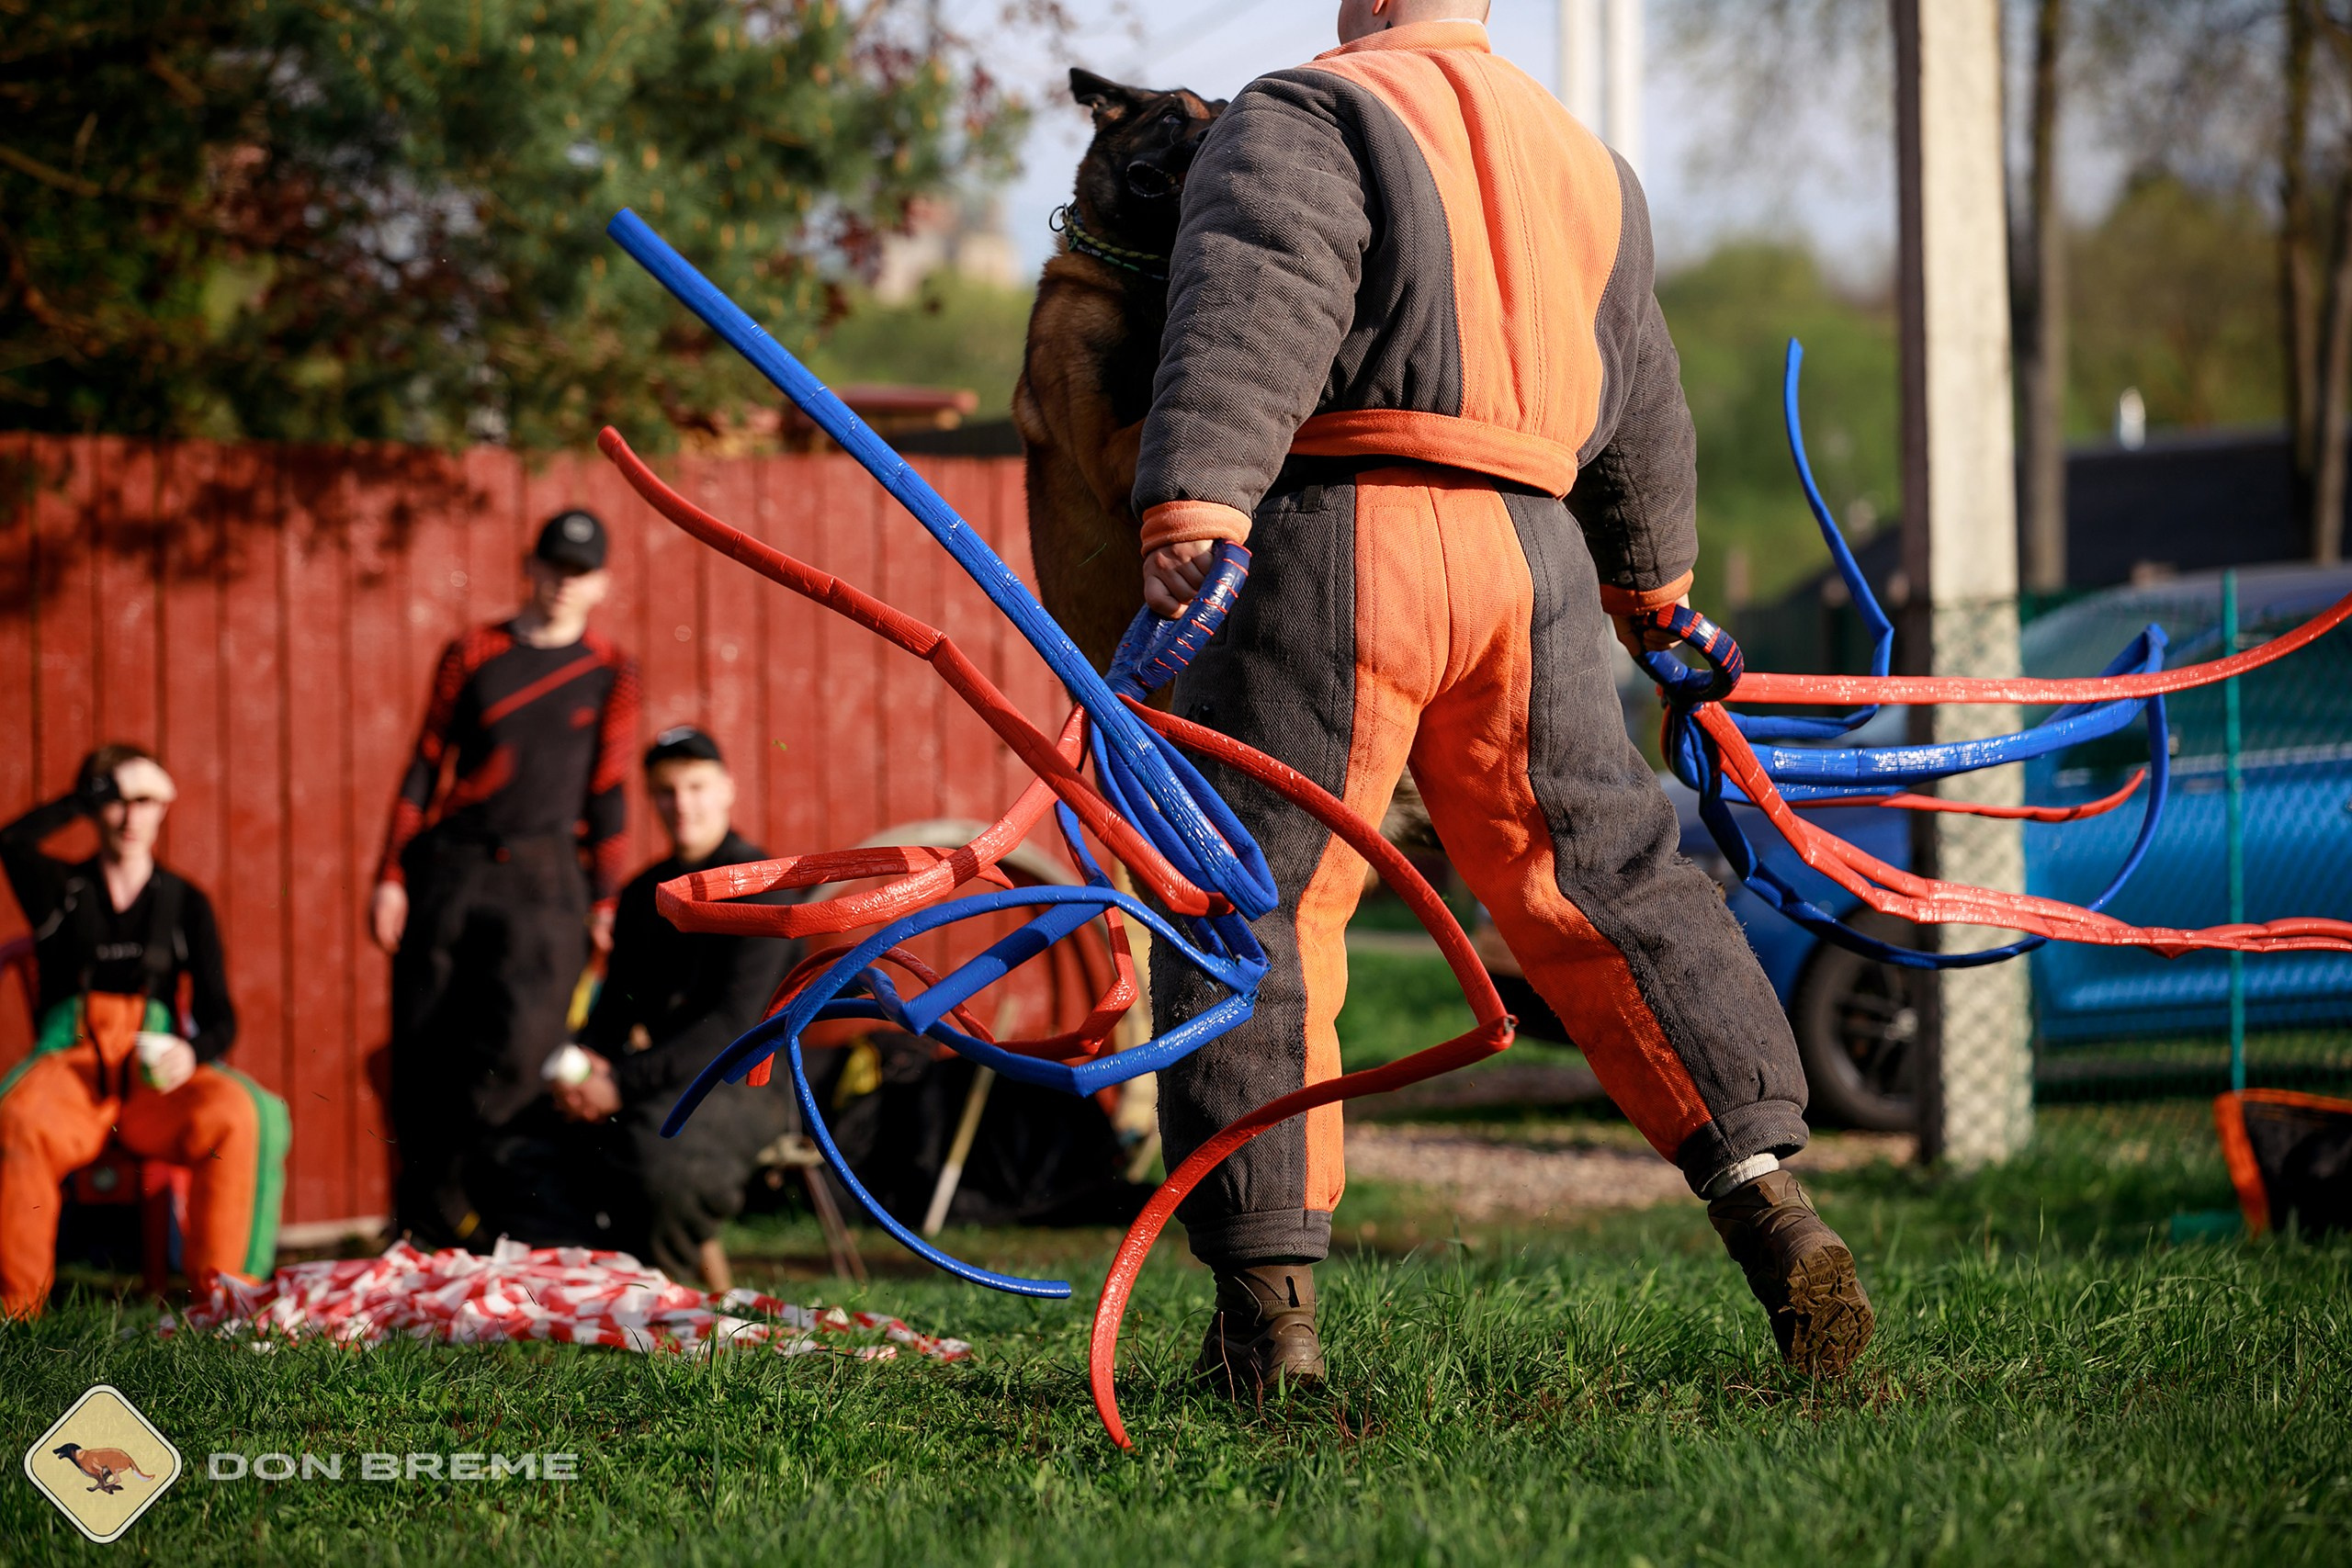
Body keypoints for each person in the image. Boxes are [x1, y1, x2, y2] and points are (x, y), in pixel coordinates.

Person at [1133, 0, 1874, 1393]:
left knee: (1259, 895)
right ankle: (1779, 1214)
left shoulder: (1308, 107)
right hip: (1532, 561)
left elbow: (1264, 286)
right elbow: (1642, 398)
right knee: (1608, 884)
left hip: (1340, 533)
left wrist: (1198, 494)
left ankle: (1266, 1320)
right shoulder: (1588, 163)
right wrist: (1656, 594)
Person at [371, 510, 641, 1248]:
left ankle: (503, 1227)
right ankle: (421, 1226)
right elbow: (426, 763)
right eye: (554, 565)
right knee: (425, 1047)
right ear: (532, 565)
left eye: (580, 571)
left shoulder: (611, 668)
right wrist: (391, 874)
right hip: (451, 866)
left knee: (523, 1053)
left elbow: (611, 788)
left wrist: (607, 894)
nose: (564, 582)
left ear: (602, 583)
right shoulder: (473, 650)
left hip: (548, 874)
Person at [0, 745, 288, 1319]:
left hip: (153, 1083)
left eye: (147, 800)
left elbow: (221, 1018)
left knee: (245, 1112)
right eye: (117, 801)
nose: (131, 818)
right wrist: (93, 792)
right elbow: (10, 841)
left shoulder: (186, 903)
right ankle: (15, 1315)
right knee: (15, 1119)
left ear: (165, 809)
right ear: (94, 805)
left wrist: (191, 1051)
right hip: (72, 1070)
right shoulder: (61, 889)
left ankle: (226, 1306)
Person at [549, 727, 797, 1287]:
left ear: (728, 789)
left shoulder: (764, 888)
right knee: (533, 1136)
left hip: (748, 1081)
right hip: (662, 1075)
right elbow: (616, 1008)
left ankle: (666, 1310)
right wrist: (586, 1066)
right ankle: (589, 1289)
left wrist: (622, 1082)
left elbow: (735, 1027)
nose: (681, 805)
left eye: (696, 786)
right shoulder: (645, 894)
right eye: (665, 790)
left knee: (662, 1160)